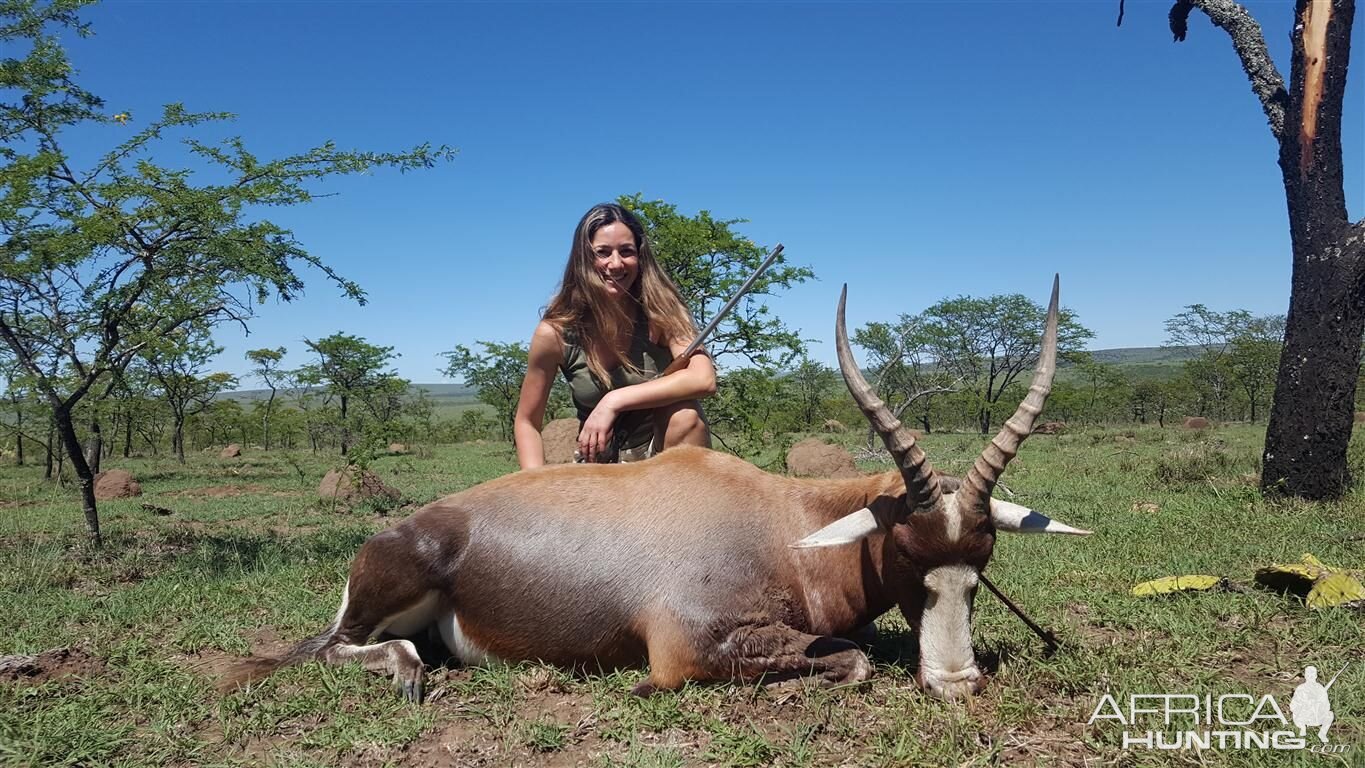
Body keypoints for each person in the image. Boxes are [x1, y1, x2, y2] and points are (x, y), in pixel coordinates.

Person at [513, 203, 716, 469]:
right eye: (603, 252)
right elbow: (527, 421)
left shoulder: (663, 312)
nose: (616, 263)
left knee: (685, 417)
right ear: (584, 257)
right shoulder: (555, 332)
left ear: (640, 257)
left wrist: (613, 401)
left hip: (661, 459)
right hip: (599, 458)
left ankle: (685, 507)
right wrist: (534, 486)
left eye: (627, 252)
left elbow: (704, 379)